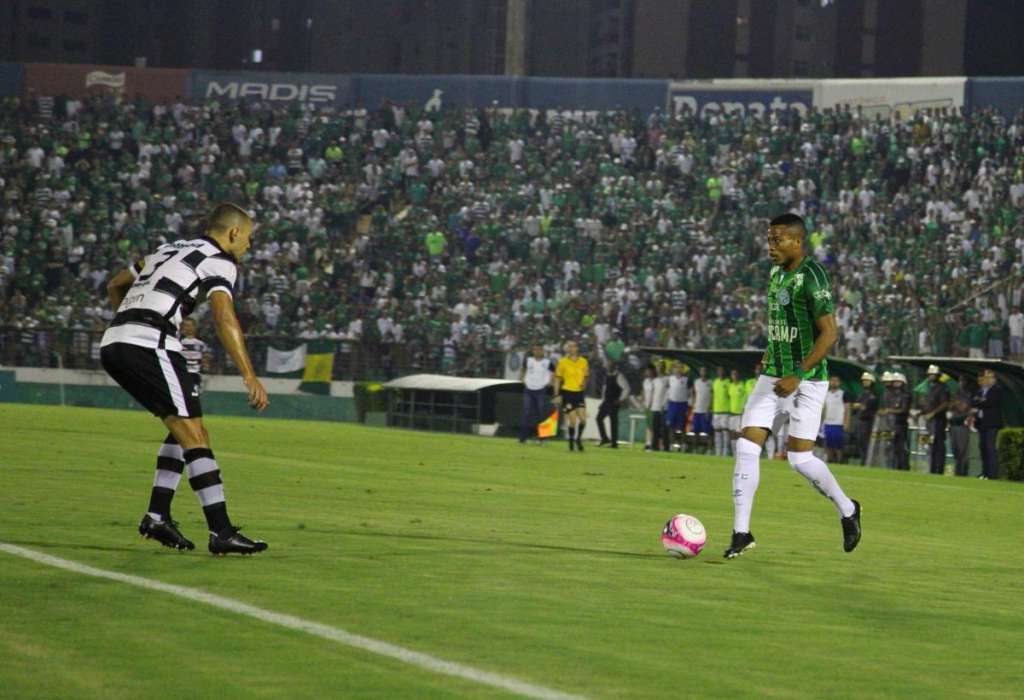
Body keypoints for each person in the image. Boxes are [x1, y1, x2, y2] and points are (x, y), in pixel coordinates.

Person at [100, 203, 270, 555]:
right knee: (196, 435)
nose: (249, 246)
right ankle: (220, 531)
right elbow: (224, 318)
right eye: (249, 238)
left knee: (182, 427)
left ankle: (157, 516)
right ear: (234, 232)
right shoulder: (221, 261)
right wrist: (250, 375)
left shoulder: (168, 248)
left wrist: (126, 321)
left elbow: (116, 283)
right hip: (150, 342)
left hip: (116, 341)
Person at [725, 213, 860, 559]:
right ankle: (741, 532)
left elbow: (830, 333)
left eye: (778, 240)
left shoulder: (811, 277)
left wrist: (798, 373)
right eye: (769, 239)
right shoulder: (774, 274)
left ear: (797, 242)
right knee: (747, 445)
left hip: (807, 379)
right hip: (772, 375)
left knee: (799, 459)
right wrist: (772, 358)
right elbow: (779, 324)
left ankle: (847, 509)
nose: (771, 246)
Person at [554, 340, 589, 451]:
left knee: (583, 419)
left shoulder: (583, 362)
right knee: (573, 420)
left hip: (579, 393)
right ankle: (571, 442)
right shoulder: (562, 362)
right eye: (569, 347)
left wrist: (584, 384)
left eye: (572, 346)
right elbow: (557, 379)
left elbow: (586, 376)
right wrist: (557, 395)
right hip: (567, 393)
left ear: (577, 348)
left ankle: (578, 439)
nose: (570, 349)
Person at [518, 343, 553, 444]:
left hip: (541, 390)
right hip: (528, 389)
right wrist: (521, 378)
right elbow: (523, 369)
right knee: (526, 413)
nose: (537, 351)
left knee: (542, 413)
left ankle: (543, 438)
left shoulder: (547, 362)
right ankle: (522, 438)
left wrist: (551, 381)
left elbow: (555, 372)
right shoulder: (528, 360)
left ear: (543, 351)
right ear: (533, 351)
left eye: (539, 350)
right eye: (535, 349)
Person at [971, 369, 1003, 479]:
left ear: (994, 379)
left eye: (989, 377)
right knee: (983, 448)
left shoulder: (997, 390)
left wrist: (980, 402)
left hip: (992, 424)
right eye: (986, 377)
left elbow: (989, 403)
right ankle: (985, 473)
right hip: (981, 423)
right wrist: (981, 401)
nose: (987, 379)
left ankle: (992, 474)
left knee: (990, 448)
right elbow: (973, 401)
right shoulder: (981, 390)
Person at [920, 364, 950, 475]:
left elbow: (945, 404)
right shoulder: (930, 387)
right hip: (930, 421)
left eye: (933, 374)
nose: (930, 376)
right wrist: (922, 412)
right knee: (932, 445)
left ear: (937, 375)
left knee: (938, 445)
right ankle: (932, 469)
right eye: (929, 374)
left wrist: (932, 413)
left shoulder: (942, 387)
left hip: (938, 420)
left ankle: (938, 469)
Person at [596, 362, 631, 448]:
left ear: (615, 367)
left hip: (614, 401)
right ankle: (605, 438)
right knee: (599, 418)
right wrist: (603, 400)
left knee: (613, 422)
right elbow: (605, 388)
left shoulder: (619, 376)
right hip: (607, 401)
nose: (608, 367)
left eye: (610, 366)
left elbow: (626, 389)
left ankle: (614, 443)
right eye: (608, 365)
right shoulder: (608, 375)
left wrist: (620, 399)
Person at [851, 372, 878, 465]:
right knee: (860, 441)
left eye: (867, 381)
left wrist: (858, 405)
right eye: (864, 381)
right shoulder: (861, 394)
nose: (865, 383)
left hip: (868, 421)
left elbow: (863, 407)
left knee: (866, 442)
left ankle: (866, 461)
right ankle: (863, 460)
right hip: (859, 420)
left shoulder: (873, 395)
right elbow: (854, 406)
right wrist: (858, 406)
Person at [179, 319, 208, 394]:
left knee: (194, 395)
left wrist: (205, 366)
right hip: (182, 374)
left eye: (190, 325)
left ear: (195, 327)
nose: (188, 328)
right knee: (183, 395)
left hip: (195, 374)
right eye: (186, 326)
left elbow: (205, 358)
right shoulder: (178, 342)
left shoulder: (201, 343)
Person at [665, 362, 689, 451]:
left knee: (682, 427)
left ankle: (683, 445)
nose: (678, 370)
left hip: (682, 404)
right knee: (671, 427)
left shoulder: (686, 379)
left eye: (680, 368)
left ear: (683, 369)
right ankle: (671, 445)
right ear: (674, 369)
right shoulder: (670, 379)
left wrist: (688, 405)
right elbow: (667, 390)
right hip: (672, 404)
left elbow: (690, 393)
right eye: (677, 368)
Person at [949, 387, 972, 477]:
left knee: (962, 452)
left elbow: (964, 408)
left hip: (962, 427)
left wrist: (957, 404)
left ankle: (962, 473)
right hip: (954, 426)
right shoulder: (956, 396)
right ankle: (957, 472)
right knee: (956, 452)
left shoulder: (968, 396)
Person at [822, 375, 845, 464]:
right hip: (827, 422)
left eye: (836, 381)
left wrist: (846, 421)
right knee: (828, 443)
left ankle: (839, 461)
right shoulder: (826, 394)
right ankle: (830, 460)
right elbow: (824, 408)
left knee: (838, 444)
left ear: (839, 383)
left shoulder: (843, 394)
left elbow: (847, 408)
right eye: (832, 381)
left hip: (838, 423)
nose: (834, 382)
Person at [711, 366, 732, 456]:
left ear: (724, 372)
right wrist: (711, 408)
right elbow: (713, 395)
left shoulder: (728, 382)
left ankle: (725, 452)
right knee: (717, 432)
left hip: (725, 411)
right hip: (716, 411)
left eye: (722, 371)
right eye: (719, 371)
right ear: (717, 372)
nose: (720, 372)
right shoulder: (715, 382)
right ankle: (717, 451)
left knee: (725, 432)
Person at [690, 366, 713, 446]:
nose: (703, 372)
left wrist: (709, 408)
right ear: (700, 372)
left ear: (707, 372)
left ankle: (709, 449)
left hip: (706, 411)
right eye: (702, 371)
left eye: (705, 371)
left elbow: (713, 396)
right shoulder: (696, 382)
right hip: (697, 410)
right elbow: (693, 394)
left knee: (708, 432)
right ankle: (696, 448)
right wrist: (693, 406)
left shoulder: (711, 382)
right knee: (695, 431)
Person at [727, 368, 746, 456]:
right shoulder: (730, 386)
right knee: (732, 433)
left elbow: (746, 398)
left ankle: (739, 452)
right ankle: (733, 452)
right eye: (733, 374)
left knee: (739, 434)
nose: (734, 376)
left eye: (736, 374)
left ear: (738, 375)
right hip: (731, 413)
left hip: (739, 414)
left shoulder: (742, 386)